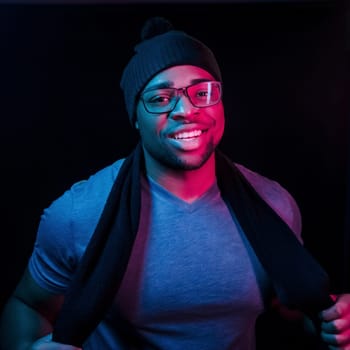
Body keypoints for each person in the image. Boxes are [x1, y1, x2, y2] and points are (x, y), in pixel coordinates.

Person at [0, 16, 349, 350]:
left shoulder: (274, 205)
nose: (186, 110)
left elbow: (288, 303)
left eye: (202, 92)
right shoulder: (80, 214)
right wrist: (26, 346)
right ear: (136, 118)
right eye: (161, 99)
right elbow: (29, 305)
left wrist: (332, 323)